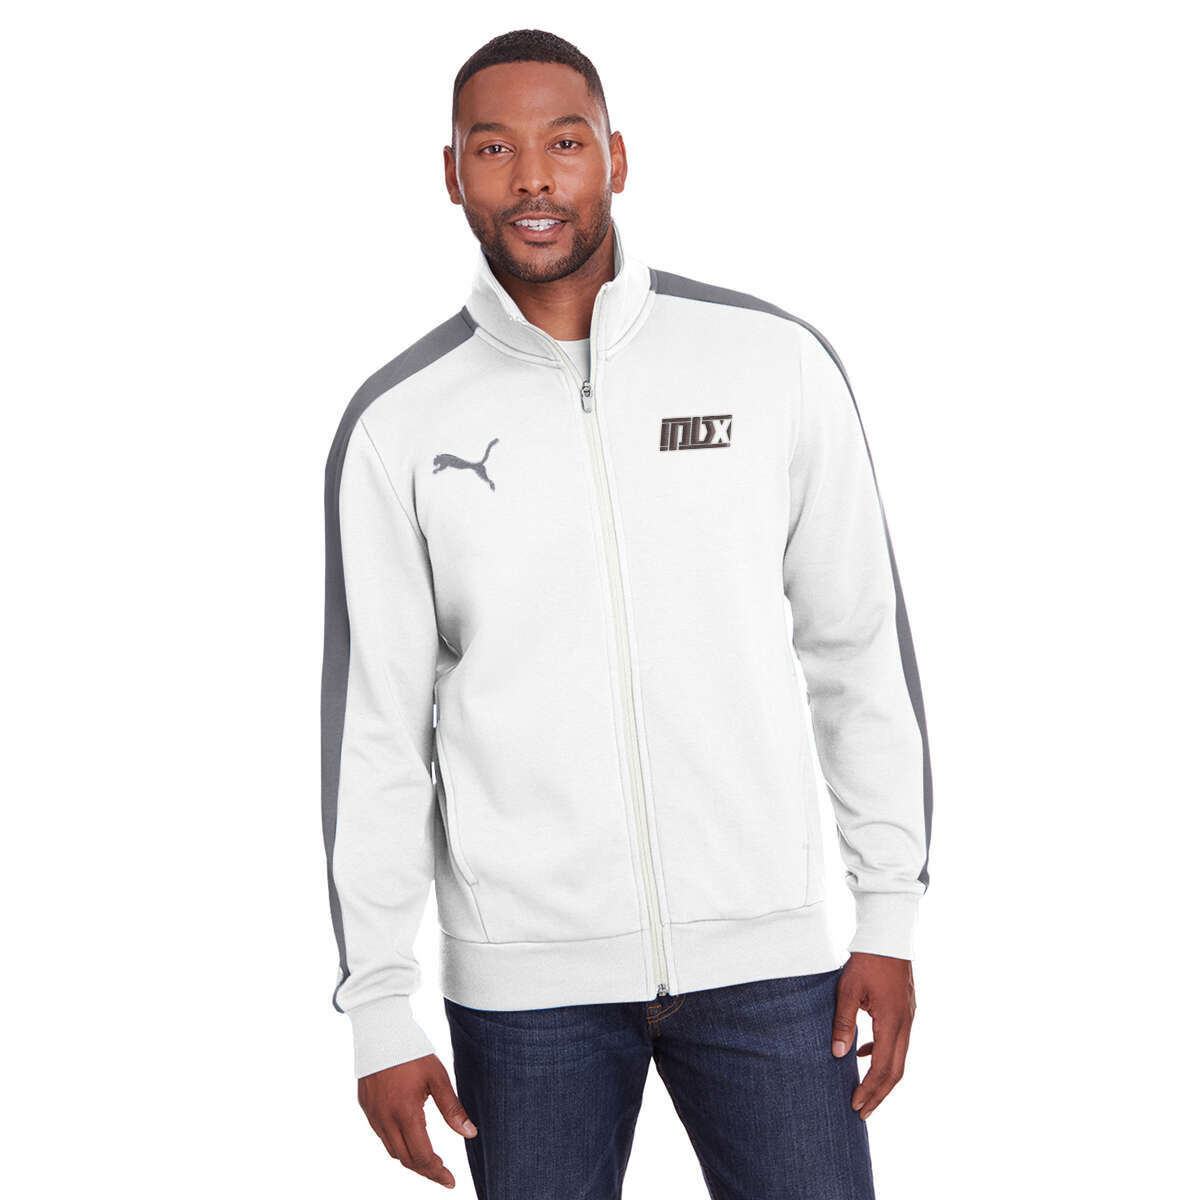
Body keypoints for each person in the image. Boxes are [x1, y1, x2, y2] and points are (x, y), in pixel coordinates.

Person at [320, 27, 933, 1198]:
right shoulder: (400, 426)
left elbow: (856, 649)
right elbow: (378, 735)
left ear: (616, 157)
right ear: (451, 173)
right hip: (525, 992)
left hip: (768, 965)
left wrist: (888, 915)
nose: (532, 178)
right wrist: (379, 1007)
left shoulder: (771, 365)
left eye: (565, 143)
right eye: (493, 148)